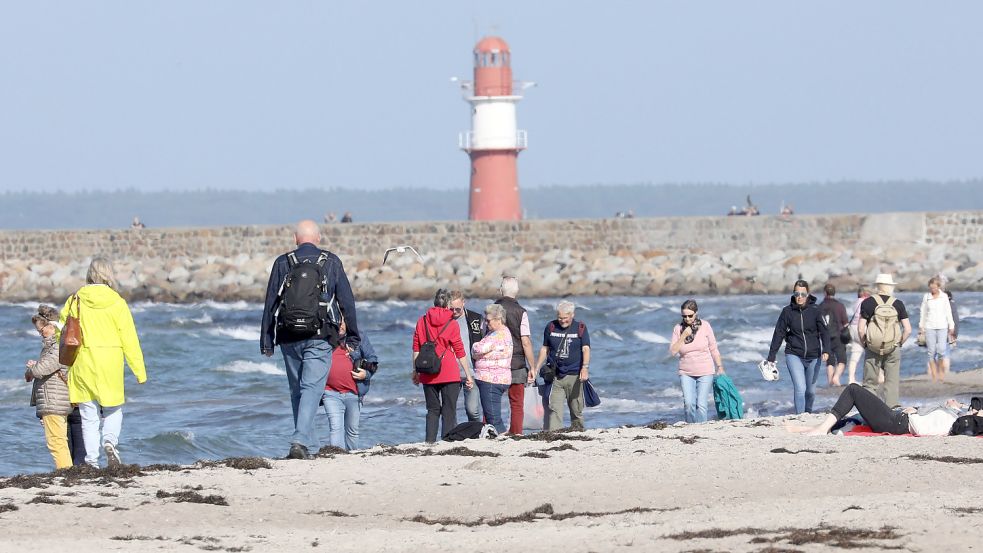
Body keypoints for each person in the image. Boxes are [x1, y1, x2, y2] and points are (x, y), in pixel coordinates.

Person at [260, 219, 360, 460]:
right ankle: (299, 441)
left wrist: (266, 339)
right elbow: (346, 300)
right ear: (319, 238)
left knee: (298, 391)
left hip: (287, 335)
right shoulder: (331, 261)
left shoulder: (283, 262)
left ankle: (308, 446)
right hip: (320, 334)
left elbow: (270, 302)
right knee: (312, 389)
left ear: (296, 239)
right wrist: (353, 336)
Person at [59, 258, 147, 468]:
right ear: (109, 274)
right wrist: (139, 371)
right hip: (110, 361)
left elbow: (61, 330)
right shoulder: (117, 302)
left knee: (88, 415)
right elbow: (129, 338)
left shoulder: (76, 299)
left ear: (90, 274)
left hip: (83, 361)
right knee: (113, 409)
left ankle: (91, 460)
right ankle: (109, 441)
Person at [785, 384, 976, 436]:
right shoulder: (951, 417)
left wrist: (914, 415)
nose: (954, 401)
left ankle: (818, 430)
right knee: (857, 415)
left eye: (960, 405)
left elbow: (922, 429)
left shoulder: (956, 421)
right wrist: (916, 410)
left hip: (898, 422)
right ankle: (812, 428)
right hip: (899, 418)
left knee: (853, 390)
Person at [412, 288, 474, 443]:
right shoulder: (452, 323)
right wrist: (468, 375)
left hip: (427, 371)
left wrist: (415, 371)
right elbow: (460, 351)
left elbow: (416, 348)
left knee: (432, 410)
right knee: (449, 410)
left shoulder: (422, 320)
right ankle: (446, 441)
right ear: (447, 305)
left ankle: (429, 442)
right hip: (449, 372)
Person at [765, 279, 830, 414]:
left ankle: (808, 413)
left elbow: (824, 332)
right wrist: (771, 356)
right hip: (794, 354)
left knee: (810, 391)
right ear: (793, 294)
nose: (799, 297)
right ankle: (801, 415)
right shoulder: (787, 312)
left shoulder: (815, 310)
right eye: (797, 294)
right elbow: (779, 333)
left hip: (814, 356)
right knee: (800, 388)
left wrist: (827, 350)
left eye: (803, 294)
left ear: (808, 294)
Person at [25, 305, 74, 470]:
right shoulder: (54, 346)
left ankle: (65, 471)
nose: (39, 332)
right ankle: (66, 470)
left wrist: (33, 368)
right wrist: (34, 368)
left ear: (51, 326)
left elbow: (41, 369)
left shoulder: (57, 346)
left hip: (54, 399)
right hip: (54, 399)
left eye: (41, 329)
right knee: (58, 439)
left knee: (56, 441)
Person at [533, 300, 591, 431]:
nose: (562, 320)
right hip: (556, 376)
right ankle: (555, 434)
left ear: (572, 315)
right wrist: (536, 367)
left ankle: (579, 433)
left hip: (575, 375)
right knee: (554, 409)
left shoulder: (580, 328)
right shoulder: (551, 327)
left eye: (565, 318)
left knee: (576, 410)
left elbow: (586, 349)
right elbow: (545, 349)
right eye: (559, 317)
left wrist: (585, 368)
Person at [321, 318, 377, 451]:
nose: (340, 326)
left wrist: (366, 374)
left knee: (352, 431)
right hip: (330, 393)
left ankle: (352, 457)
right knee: (335, 428)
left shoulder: (358, 337)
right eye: (337, 322)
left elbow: (373, 360)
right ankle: (337, 457)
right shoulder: (324, 339)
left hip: (354, 393)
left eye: (342, 322)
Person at [858, 273, 911, 409]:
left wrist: (866, 344)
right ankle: (891, 409)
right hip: (893, 347)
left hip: (872, 347)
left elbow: (860, 329)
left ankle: (869, 409)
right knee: (891, 382)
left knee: (870, 383)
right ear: (890, 287)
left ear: (877, 286)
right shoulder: (898, 304)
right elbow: (908, 329)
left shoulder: (868, 302)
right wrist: (898, 343)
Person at [669, 300, 725, 423]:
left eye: (690, 315)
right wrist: (683, 336)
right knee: (689, 404)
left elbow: (713, 348)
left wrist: (720, 367)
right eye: (684, 316)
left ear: (696, 313)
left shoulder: (705, 326)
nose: (687, 319)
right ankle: (690, 428)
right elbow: (673, 352)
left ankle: (701, 430)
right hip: (686, 372)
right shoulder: (678, 329)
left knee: (701, 405)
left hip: (705, 371)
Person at [494, 277, 536, 435]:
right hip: (516, 362)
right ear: (516, 291)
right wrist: (532, 366)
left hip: (495, 361)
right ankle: (516, 433)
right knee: (517, 402)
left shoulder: (493, 308)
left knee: (492, 401)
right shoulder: (521, 312)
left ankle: (490, 432)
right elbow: (525, 341)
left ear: (500, 290)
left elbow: (485, 334)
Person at [470, 304, 513, 433]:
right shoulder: (501, 332)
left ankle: (502, 440)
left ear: (499, 319)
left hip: (492, 380)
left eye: (488, 320)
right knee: (492, 416)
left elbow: (478, 349)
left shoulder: (497, 335)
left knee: (493, 418)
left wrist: (474, 346)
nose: (486, 323)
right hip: (497, 379)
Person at [449, 290, 483, 422]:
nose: (454, 312)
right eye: (451, 309)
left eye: (458, 308)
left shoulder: (476, 319)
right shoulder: (445, 319)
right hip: (451, 372)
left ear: (464, 303)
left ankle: (476, 434)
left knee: (472, 410)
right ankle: (450, 436)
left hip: (472, 372)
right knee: (449, 410)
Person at [918, 276, 955, 383]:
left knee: (942, 350)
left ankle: (941, 374)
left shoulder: (944, 297)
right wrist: (921, 326)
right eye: (930, 288)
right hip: (929, 326)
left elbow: (948, 312)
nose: (932, 290)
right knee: (931, 352)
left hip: (942, 326)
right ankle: (934, 375)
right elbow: (923, 312)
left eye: (934, 288)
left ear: (938, 287)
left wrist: (951, 326)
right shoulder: (927, 297)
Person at [819, 283, 849, 386]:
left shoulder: (820, 306)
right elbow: (845, 322)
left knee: (829, 361)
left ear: (825, 293)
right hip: (838, 336)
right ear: (834, 293)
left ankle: (830, 382)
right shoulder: (839, 306)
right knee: (842, 360)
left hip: (825, 337)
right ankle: (836, 378)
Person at [845, 286, 871, 386]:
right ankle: (874, 377)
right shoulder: (866, 302)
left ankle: (851, 379)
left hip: (853, 328)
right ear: (864, 294)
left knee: (855, 354)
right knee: (870, 352)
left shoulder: (855, 302)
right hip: (862, 328)